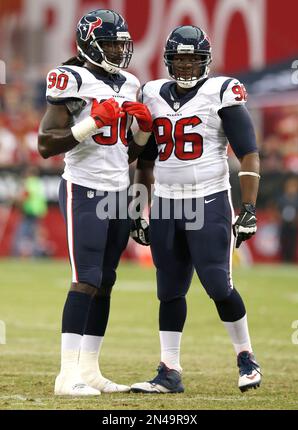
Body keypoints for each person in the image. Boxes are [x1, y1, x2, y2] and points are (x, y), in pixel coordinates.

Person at [129, 25, 262, 393]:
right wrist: (139, 209)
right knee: (169, 290)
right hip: (167, 203)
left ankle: (246, 357)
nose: (186, 65)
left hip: (208, 199)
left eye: (192, 58)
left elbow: (248, 151)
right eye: (180, 58)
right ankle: (169, 370)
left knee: (218, 284)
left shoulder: (221, 92)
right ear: (169, 60)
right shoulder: (152, 93)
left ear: (205, 59)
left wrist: (248, 208)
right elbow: (145, 161)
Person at [38, 9, 152, 396]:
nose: (118, 51)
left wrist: (142, 134)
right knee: (85, 279)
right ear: (88, 44)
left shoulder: (132, 83)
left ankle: (90, 370)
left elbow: (126, 155)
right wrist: (91, 123)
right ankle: (66, 374)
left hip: (118, 190)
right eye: (109, 44)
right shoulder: (71, 78)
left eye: (121, 44)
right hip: (83, 188)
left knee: (105, 281)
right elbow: (45, 144)